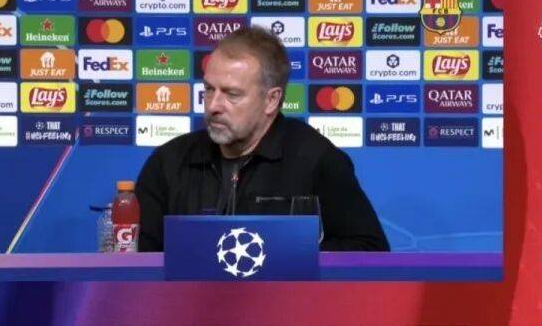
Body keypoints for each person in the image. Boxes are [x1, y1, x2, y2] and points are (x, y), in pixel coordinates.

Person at [134, 26, 389, 252]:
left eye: (232, 94)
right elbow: (137, 262)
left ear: (271, 100)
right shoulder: (169, 161)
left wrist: (286, 256)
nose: (213, 105)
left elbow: (370, 250)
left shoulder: (316, 160)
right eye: (209, 89)